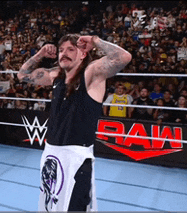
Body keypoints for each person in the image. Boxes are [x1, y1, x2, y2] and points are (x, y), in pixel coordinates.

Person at [18, 34, 131, 211]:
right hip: (51, 155)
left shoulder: (92, 73)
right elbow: (22, 75)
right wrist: (40, 54)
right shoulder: (56, 76)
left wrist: (95, 41)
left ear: (83, 53)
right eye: (61, 50)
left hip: (76, 159)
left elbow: (123, 57)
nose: (64, 53)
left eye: (71, 49)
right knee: (49, 206)